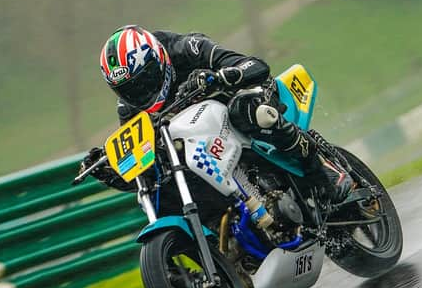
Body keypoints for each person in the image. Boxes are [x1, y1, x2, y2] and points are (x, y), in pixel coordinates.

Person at [82, 25, 353, 201]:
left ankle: (322, 173)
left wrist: (220, 77)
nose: (140, 92)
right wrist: (115, 173)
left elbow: (255, 66)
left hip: (239, 102)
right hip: (201, 143)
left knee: (247, 110)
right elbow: (146, 165)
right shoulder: (129, 109)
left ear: (158, 59)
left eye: (144, 80)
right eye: (129, 89)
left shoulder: (185, 48)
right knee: (163, 184)